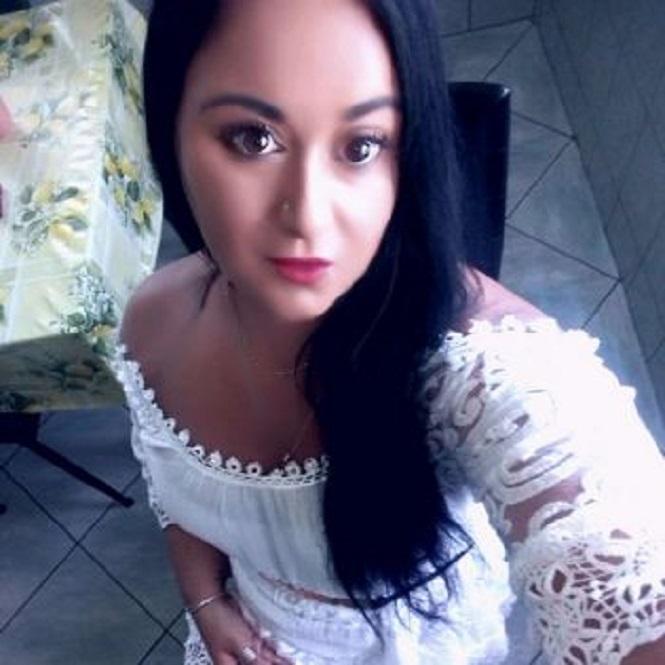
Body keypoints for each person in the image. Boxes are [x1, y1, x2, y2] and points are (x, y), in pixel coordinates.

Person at [111, 0, 665, 663]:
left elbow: (614, 549)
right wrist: (207, 602)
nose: (308, 215)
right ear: (169, 127)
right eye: (253, 138)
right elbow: (178, 495)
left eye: (361, 146)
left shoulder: (480, 371)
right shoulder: (152, 324)